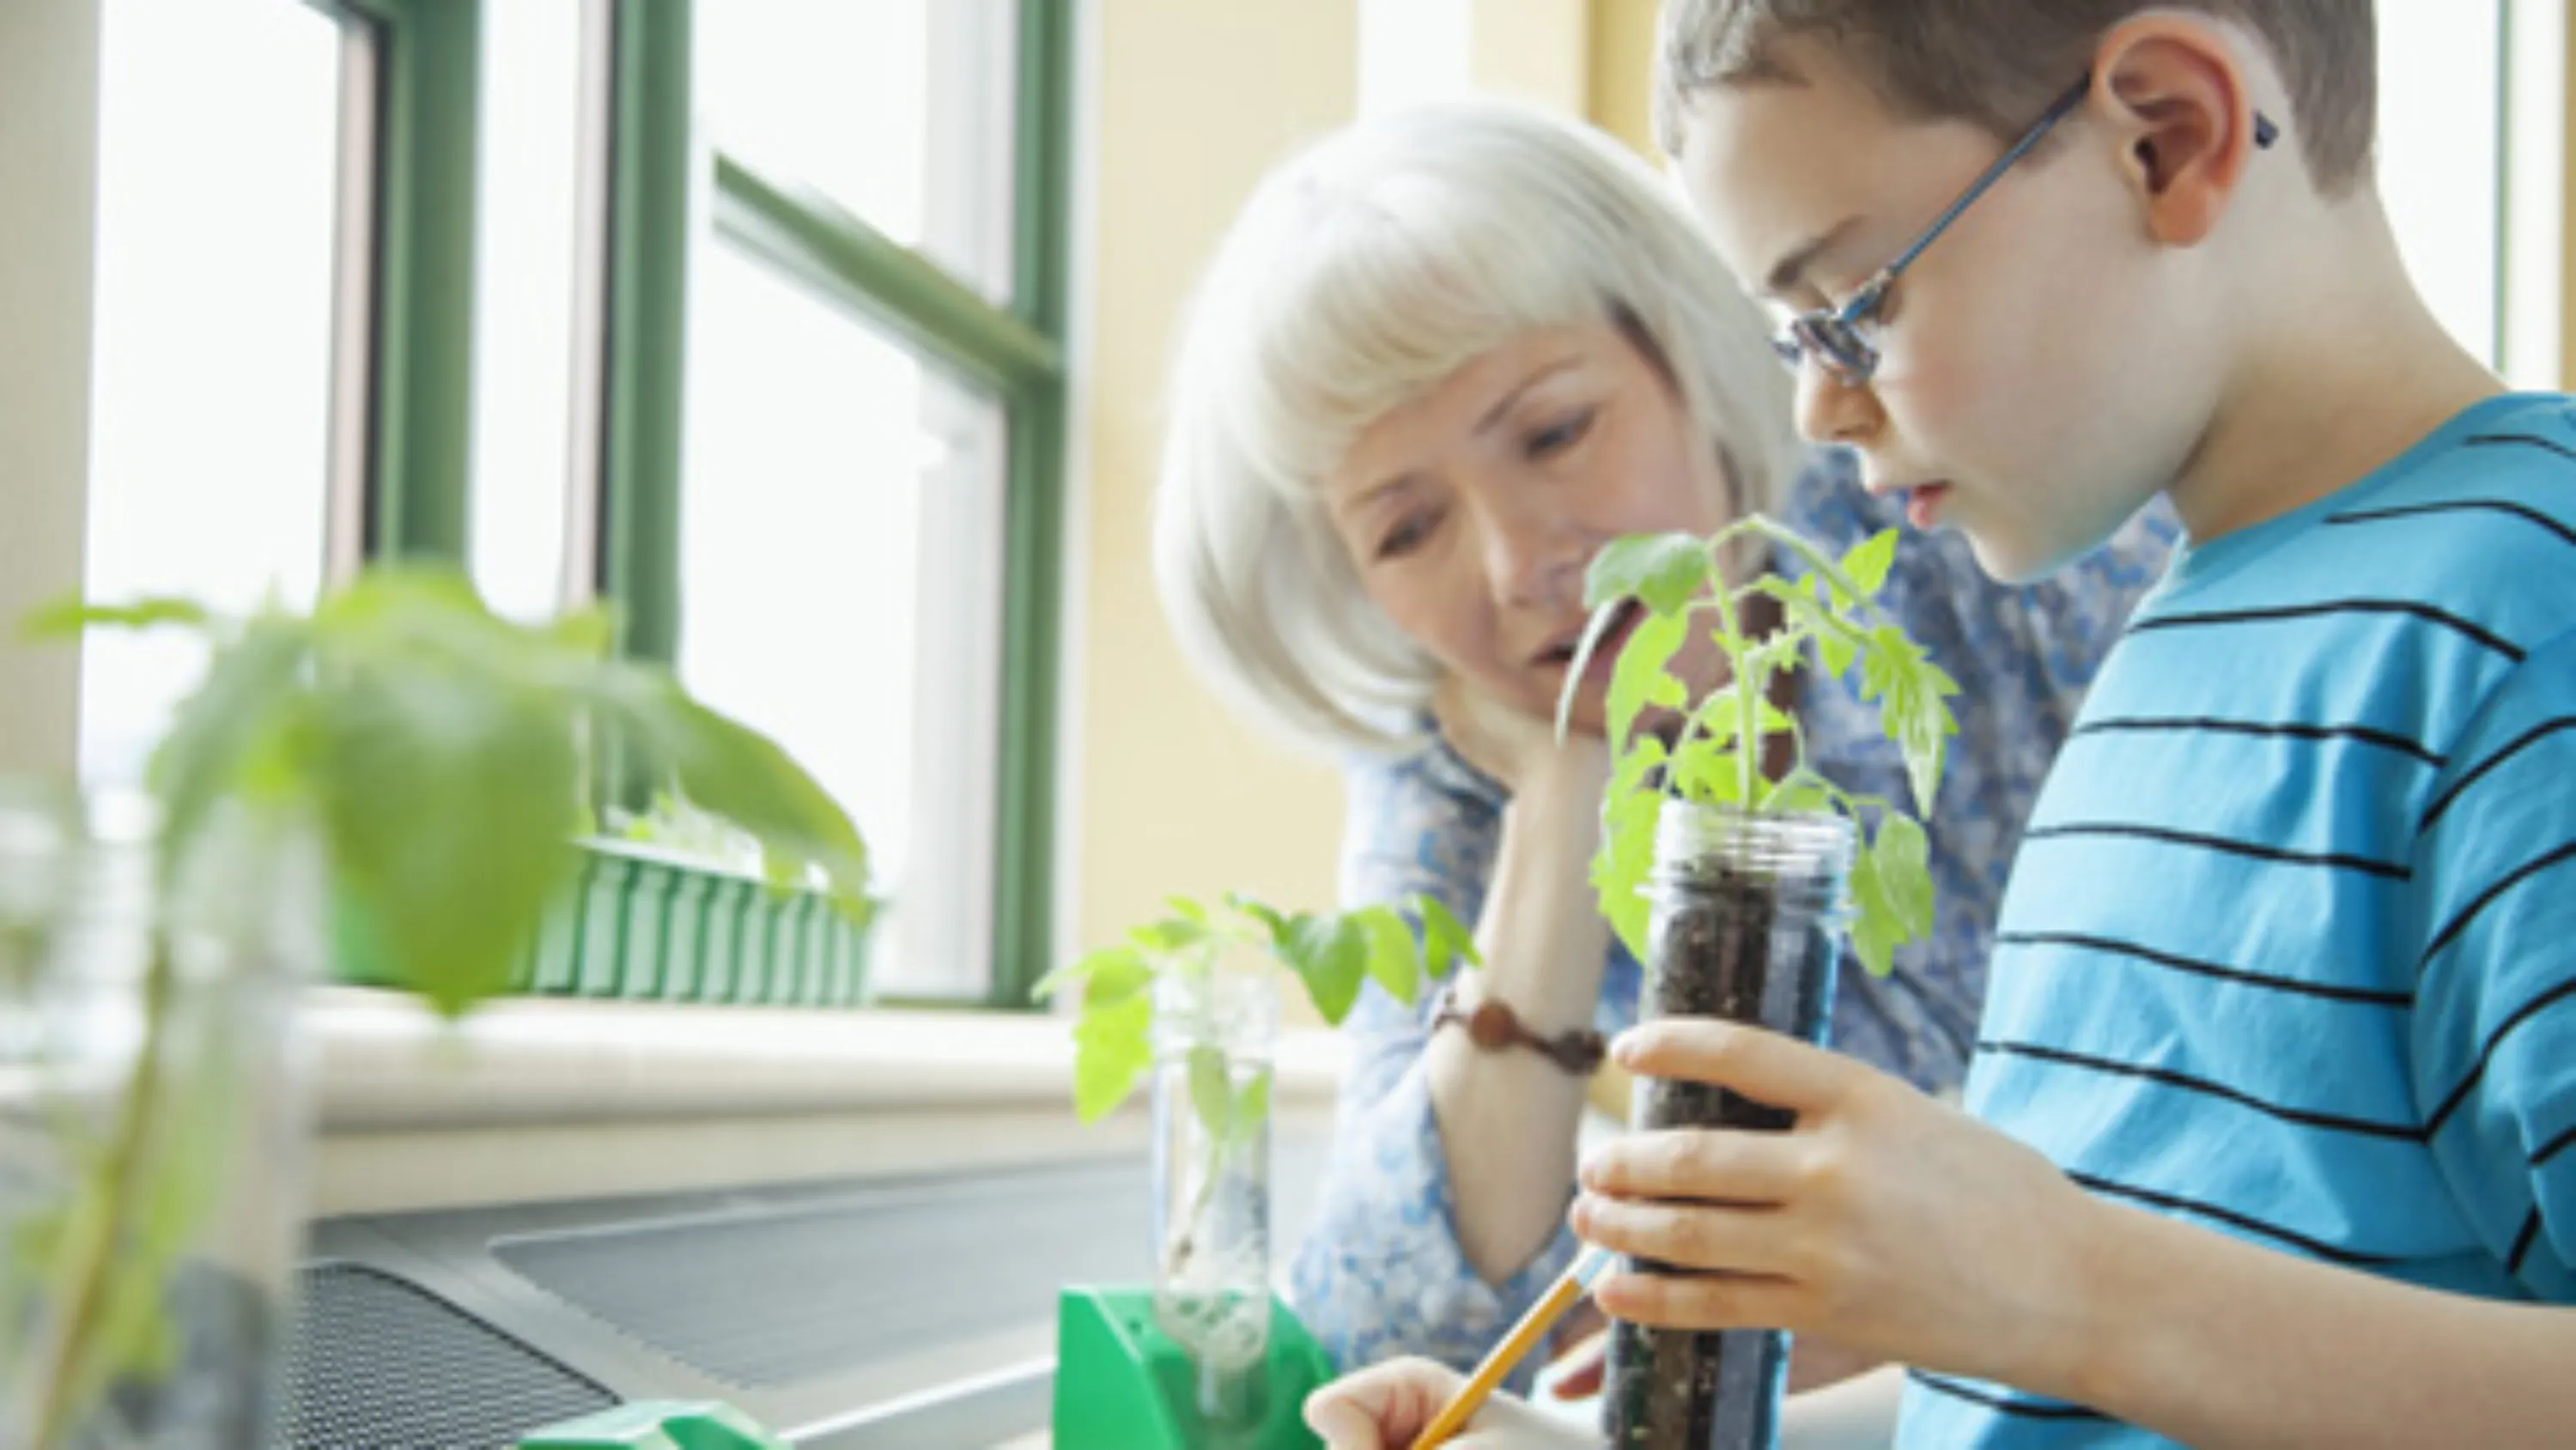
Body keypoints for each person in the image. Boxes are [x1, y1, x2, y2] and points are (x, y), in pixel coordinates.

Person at [1309, 0, 2576, 1446]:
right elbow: (2080, 1381)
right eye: (1789, 335)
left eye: (1854, 307)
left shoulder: (2528, 622)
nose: (1816, 410)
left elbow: (2090, 1311)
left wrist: (2063, 1283)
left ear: (2167, 137)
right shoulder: (2186, 630)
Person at [1150, 98, 2172, 1392]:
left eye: (1556, 433)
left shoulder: (1976, 532)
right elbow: (1399, 1347)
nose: (1523, 565)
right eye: (1407, 531)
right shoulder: (1452, 764)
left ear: (1684, 356)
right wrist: (1565, 795)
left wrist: (1930, 1291)